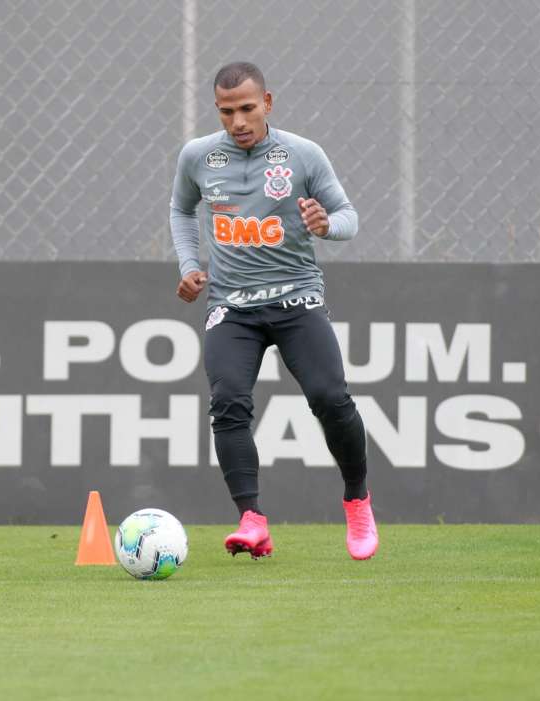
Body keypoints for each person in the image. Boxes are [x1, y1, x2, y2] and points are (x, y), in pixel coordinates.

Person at [169, 62, 378, 560]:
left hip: (296, 299)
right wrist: (189, 263)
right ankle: (252, 519)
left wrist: (326, 225)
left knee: (330, 398)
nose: (237, 122)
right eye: (226, 112)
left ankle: (357, 500)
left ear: (267, 102)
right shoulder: (198, 156)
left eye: (246, 108)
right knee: (228, 404)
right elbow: (181, 209)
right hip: (231, 308)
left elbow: (348, 217)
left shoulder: (302, 155)